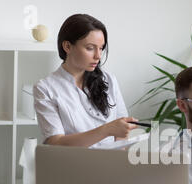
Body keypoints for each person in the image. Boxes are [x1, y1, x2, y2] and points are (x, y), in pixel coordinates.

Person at [33, 14, 137, 148]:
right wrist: (106, 130)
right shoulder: (45, 88)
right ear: (67, 47)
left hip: (111, 164)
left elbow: (122, 132)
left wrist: (118, 161)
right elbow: (55, 142)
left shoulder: (108, 79)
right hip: (74, 165)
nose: (98, 56)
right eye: (90, 48)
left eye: (101, 48)